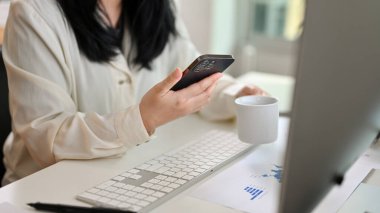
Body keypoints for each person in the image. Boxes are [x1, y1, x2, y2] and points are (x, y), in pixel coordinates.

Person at [1, 0, 266, 185]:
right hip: (44, 186)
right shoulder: (33, 11)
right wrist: (142, 119)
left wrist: (237, 94)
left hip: (127, 172)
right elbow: (46, 136)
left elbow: (189, 74)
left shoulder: (159, 6)